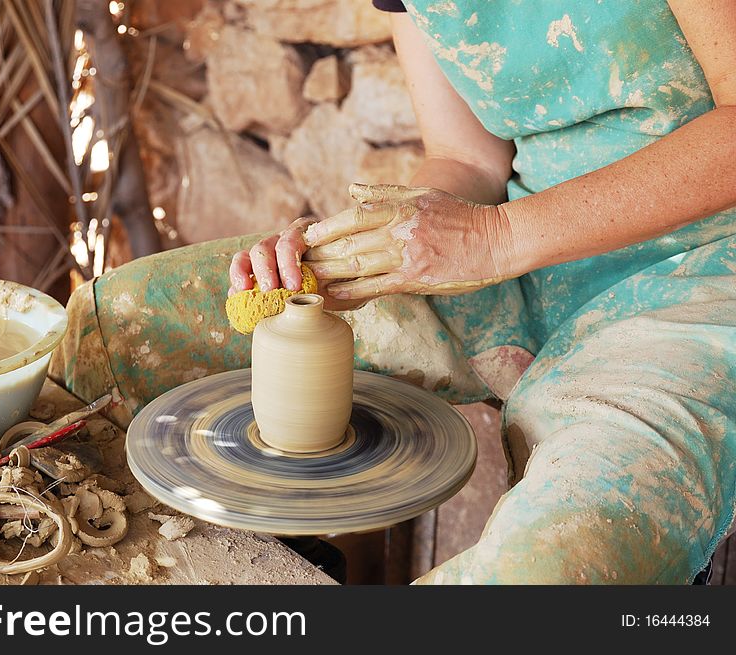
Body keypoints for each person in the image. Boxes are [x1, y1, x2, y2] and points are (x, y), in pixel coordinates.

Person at [52, 0, 736, 583]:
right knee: (119, 326)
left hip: (701, 275)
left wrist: (494, 239)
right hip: (515, 247)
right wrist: (356, 245)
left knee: (549, 566)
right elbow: (470, 159)